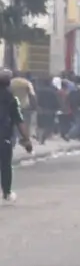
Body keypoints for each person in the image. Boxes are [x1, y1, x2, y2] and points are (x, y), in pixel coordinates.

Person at [0, 69, 33, 202]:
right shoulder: (12, 100)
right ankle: (7, 193)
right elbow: (19, 121)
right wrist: (26, 139)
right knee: (5, 165)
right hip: (4, 137)